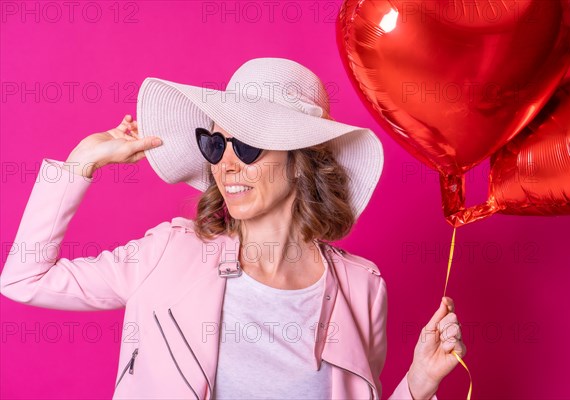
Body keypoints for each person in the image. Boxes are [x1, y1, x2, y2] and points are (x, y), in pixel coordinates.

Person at [0, 57, 466, 400]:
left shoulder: (362, 286)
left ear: (302, 163)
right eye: (214, 143)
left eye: (246, 146)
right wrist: (82, 161)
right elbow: (23, 279)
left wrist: (419, 384)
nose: (224, 164)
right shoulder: (169, 252)